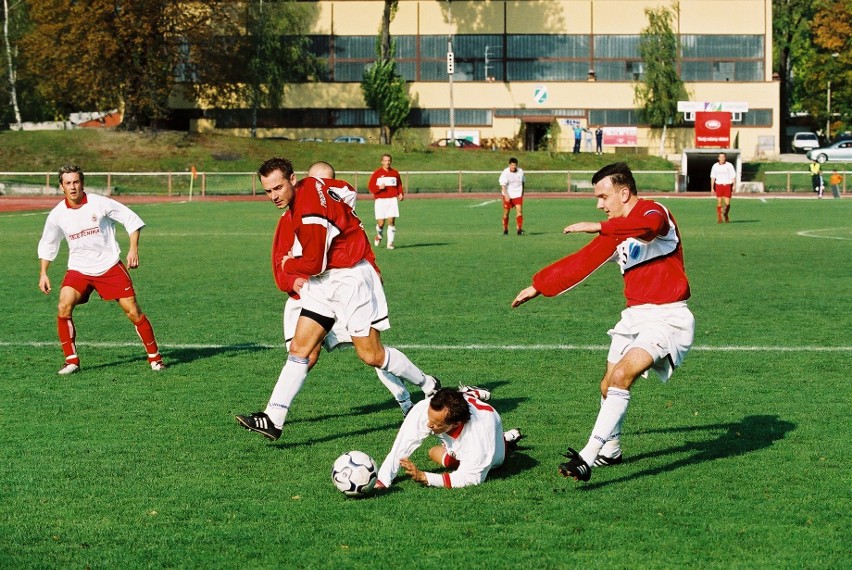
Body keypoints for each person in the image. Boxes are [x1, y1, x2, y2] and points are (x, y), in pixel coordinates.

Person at [511, 162, 694, 483]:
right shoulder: (617, 231)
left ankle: (587, 456)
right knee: (607, 385)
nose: (599, 204)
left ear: (624, 193)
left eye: (603, 196)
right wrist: (539, 285)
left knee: (622, 377)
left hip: (667, 316)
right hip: (633, 317)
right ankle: (611, 450)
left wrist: (598, 226)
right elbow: (583, 261)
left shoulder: (655, 212)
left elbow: (649, 227)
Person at [236, 157, 439, 441]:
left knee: (371, 355)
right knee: (300, 349)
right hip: (326, 282)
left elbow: (314, 263)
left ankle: (429, 385)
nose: (274, 196)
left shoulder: (309, 212)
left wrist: (288, 265)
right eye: (268, 191)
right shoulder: (311, 186)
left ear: (293, 179)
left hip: (349, 280)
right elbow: (342, 195)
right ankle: (273, 418)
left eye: (278, 188)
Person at [271, 160, 418, 416]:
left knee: (371, 353)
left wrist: (374, 271)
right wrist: (290, 281)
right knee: (303, 356)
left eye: (329, 182)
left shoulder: (335, 209)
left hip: (342, 289)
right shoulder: (291, 217)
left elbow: (356, 245)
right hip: (307, 295)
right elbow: (279, 261)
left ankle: (407, 401)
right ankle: (273, 415)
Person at [37, 164, 166, 375]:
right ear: (61, 187)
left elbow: (131, 220)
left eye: (76, 182)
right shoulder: (57, 214)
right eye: (68, 183)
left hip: (109, 266)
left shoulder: (100, 203)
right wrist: (43, 272)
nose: (73, 187)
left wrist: (133, 249)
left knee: (133, 312)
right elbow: (48, 243)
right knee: (63, 306)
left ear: (82, 183)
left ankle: (155, 358)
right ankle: (71, 361)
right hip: (79, 269)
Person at [375, 386, 523, 489]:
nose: (428, 424)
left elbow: (470, 478)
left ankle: (505, 440)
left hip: (489, 437)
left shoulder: (479, 436)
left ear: (456, 424)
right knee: (433, 452)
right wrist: (382, 480)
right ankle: (468, 394)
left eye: (435, 424)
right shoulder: (424, 409)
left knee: (496, 462)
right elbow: (402, 444)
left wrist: (425, 477)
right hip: (463, 428)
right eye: (429, 417)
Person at [368, 153, 404, 250]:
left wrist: (400, 193)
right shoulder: (377, 173)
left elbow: (399, 185)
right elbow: (370, 187)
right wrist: (379, 188)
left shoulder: (395, 173)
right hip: (380, 201)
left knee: (391, 221)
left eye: (389, 160)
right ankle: (379, 235)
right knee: (381, 223)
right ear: (382, 162)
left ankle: (390, 243)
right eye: (385, 160)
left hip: (392, 200)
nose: (387, 162)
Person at [499, 157, 526, 236]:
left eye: (515, 165)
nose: (513, 167)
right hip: (508, 194)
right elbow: (503, 185)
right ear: (509, 165)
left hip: (517, 194)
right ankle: (505, 229)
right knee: (506, 213)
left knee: (519, 211)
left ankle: (519, 229)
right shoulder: (505, 172)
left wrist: (522, 193)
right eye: (512, 165)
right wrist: (507, 196)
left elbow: (523, 182)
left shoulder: (520, 172)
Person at [710, 152, 736, 223]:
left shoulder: (729, 165)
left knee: (727, 203)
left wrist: (734, 185)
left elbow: (733, 176)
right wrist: (712, 187)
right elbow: (713, 177)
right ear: (718, 158)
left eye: (723, 157)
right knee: (719, 202)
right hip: (719, 185)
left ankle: (726, 214)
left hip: (727, 185)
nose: (722, 158)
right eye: (720, 157)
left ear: (725, 158)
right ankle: (719, 218)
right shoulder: (715, 166)